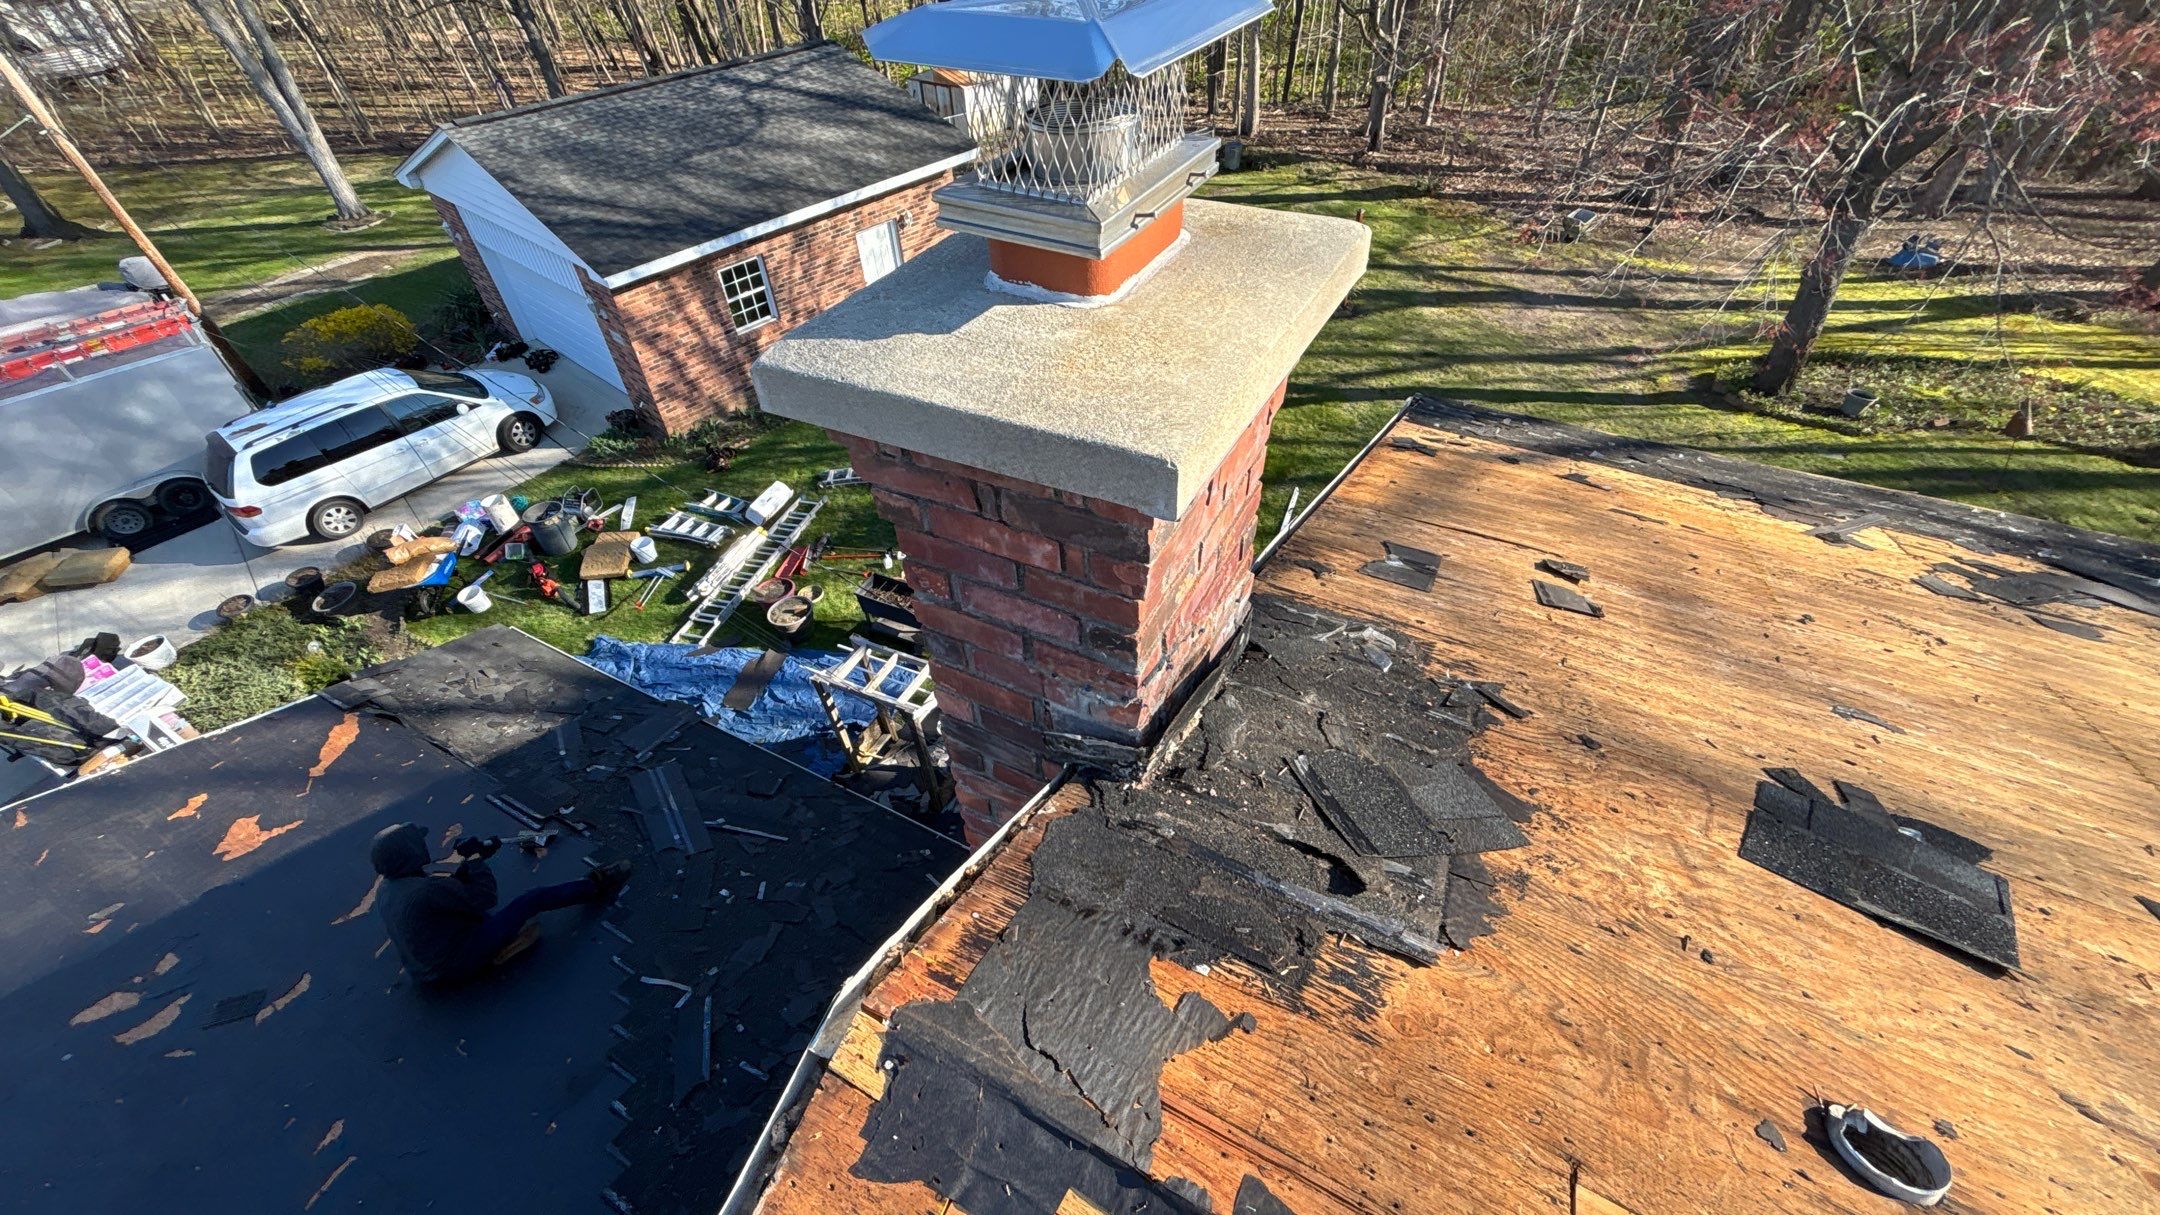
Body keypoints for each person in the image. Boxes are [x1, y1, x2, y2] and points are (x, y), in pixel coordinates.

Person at [369, 822, 631, 985]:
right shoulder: (425, 890)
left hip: (423, 970)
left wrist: (469, 866)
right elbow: (485, 897)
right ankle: (596, 885)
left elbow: (444, 896)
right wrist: (476, 860)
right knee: (532, 900)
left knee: (480, 914)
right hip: (453, 966)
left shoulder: (388, 888)